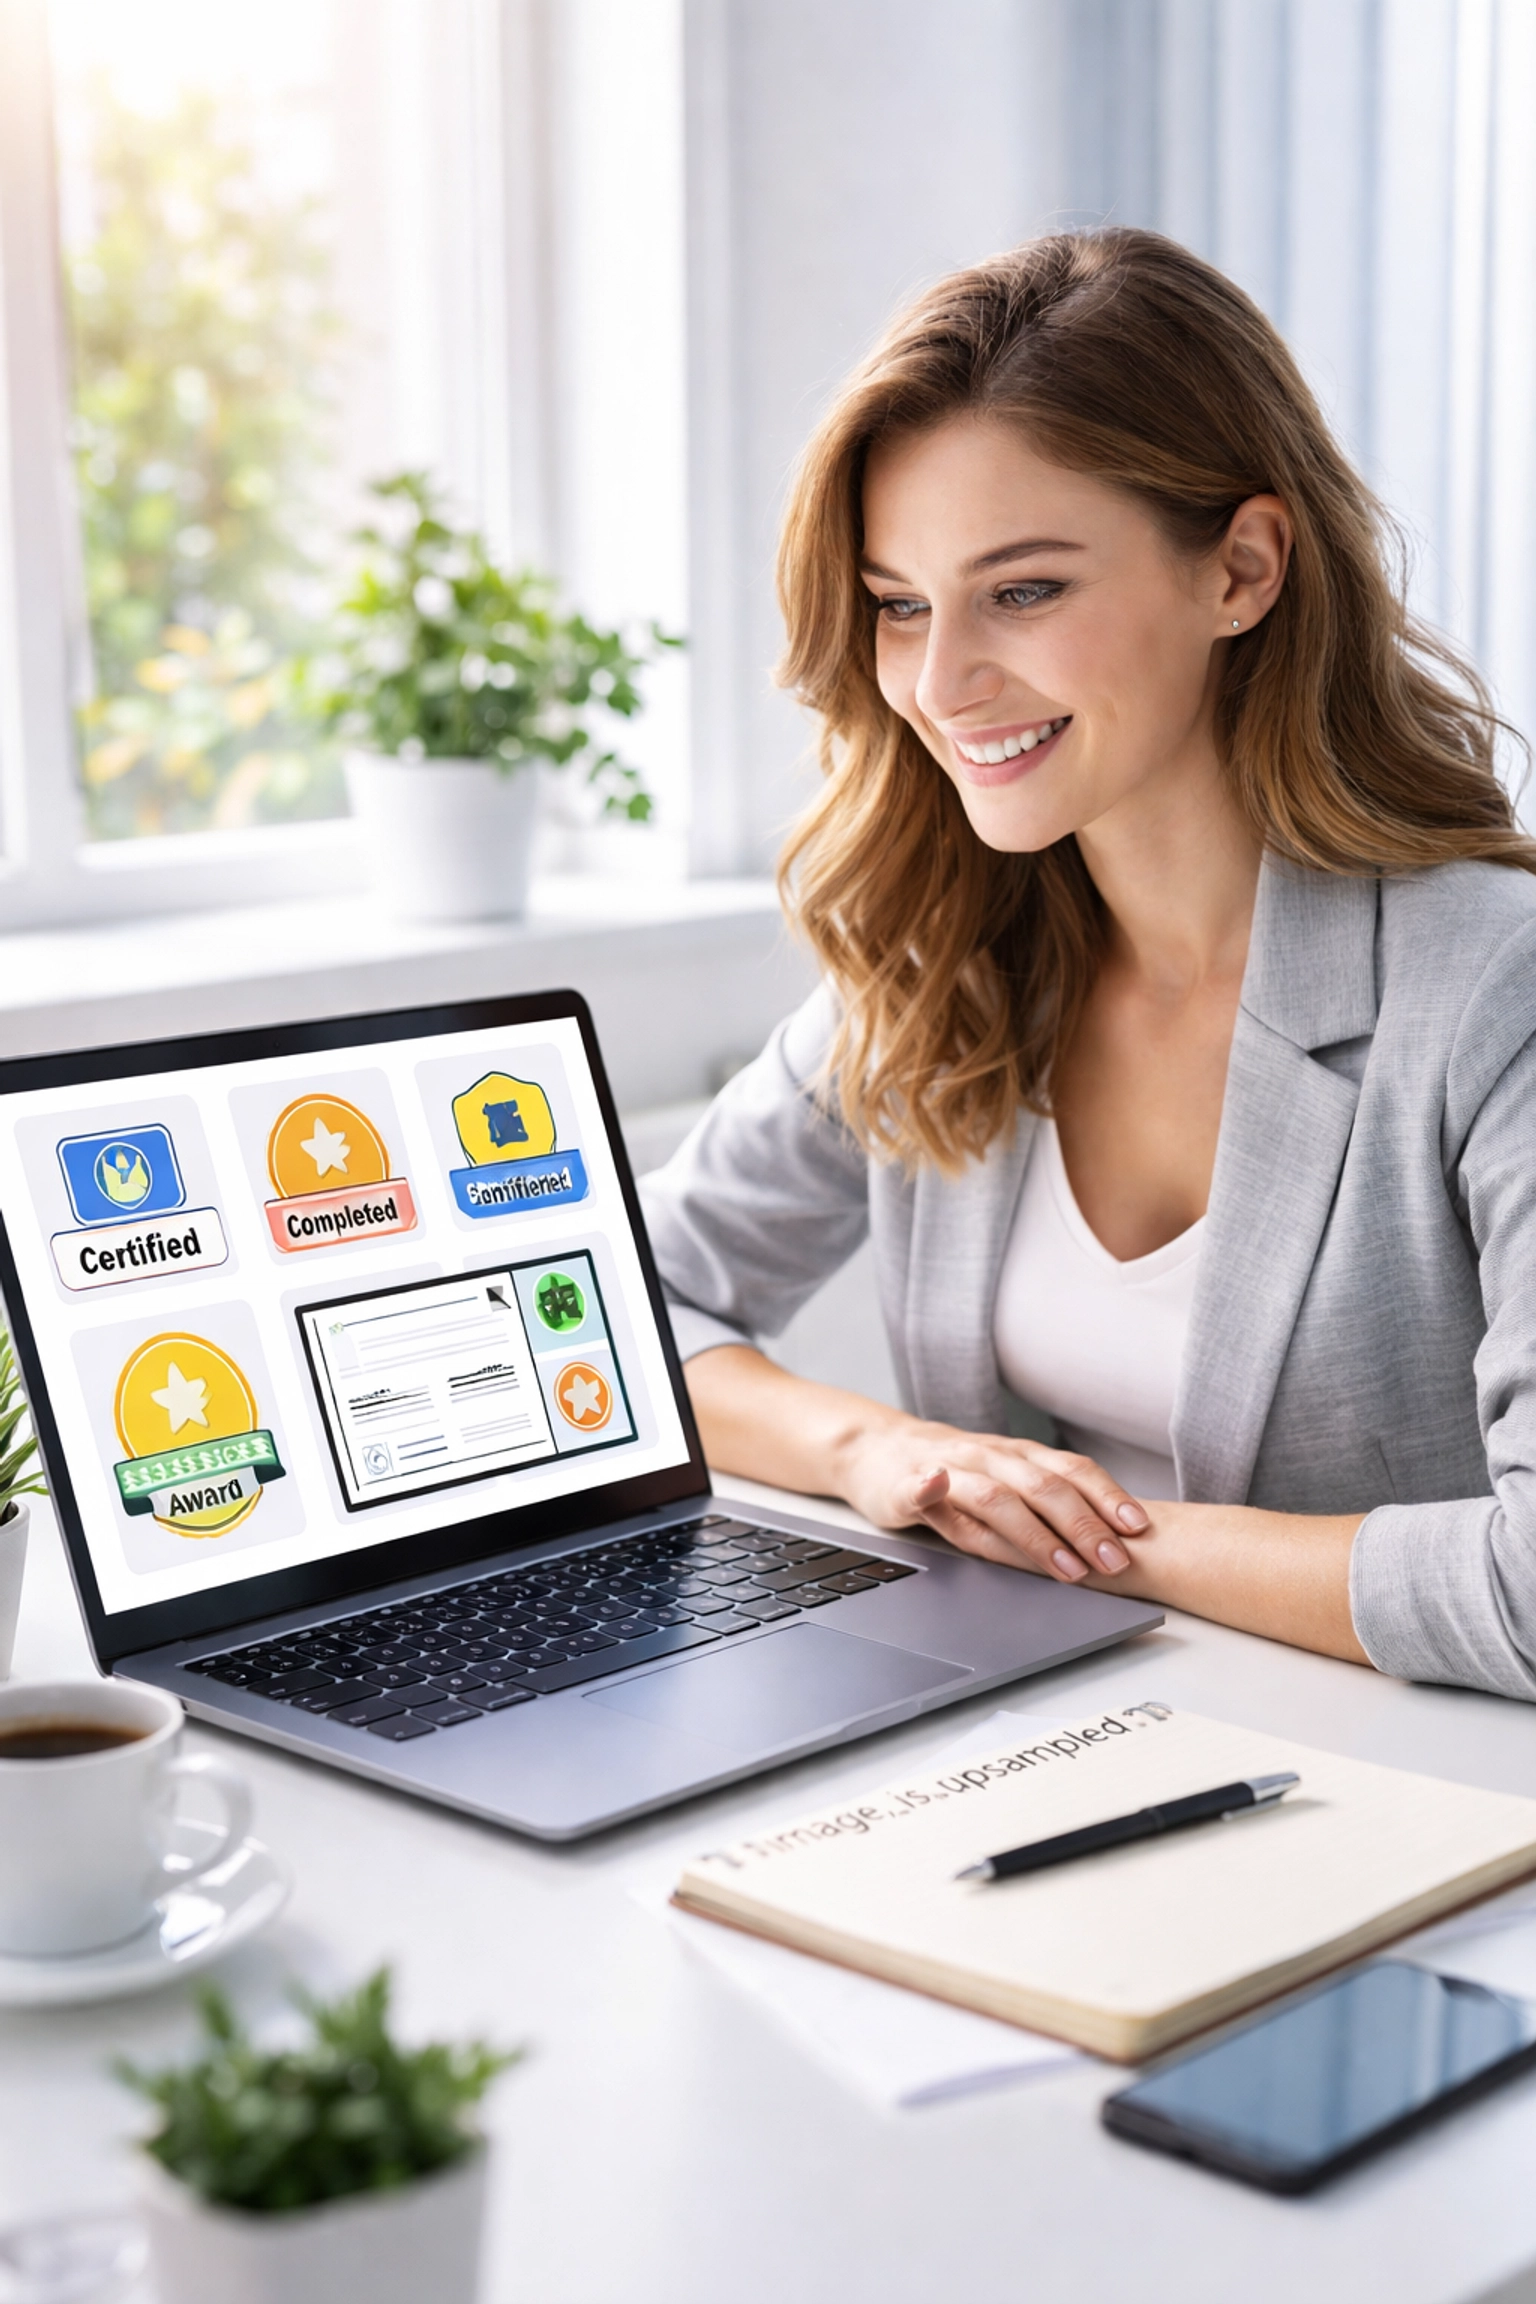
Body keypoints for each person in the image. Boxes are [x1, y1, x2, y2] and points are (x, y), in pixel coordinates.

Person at [640, 228, 1536, 1703]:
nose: (940, 684)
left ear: (1243, 569)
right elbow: (616, 1305)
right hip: (1035, 1748)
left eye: (1027, 591)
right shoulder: (947, 967)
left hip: (1426, 1809)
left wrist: (1094, 1546)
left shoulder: (1490, 993)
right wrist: (880, 1449)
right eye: (900, 602)